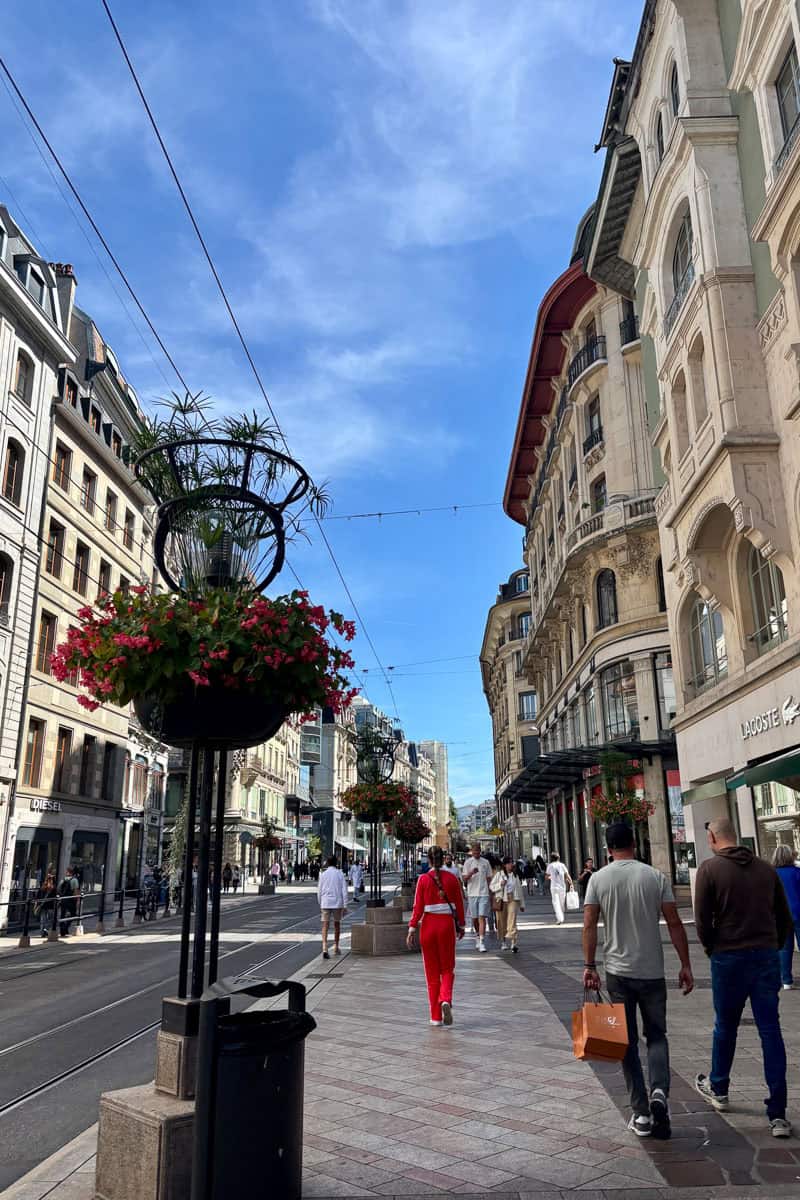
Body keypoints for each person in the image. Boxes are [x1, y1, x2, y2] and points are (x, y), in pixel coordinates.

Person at [583, 822, 693, 1140]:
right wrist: (685, 964)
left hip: (618, 972)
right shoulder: (654, 876)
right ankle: (659, 1092)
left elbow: (589, 925)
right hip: (652, 971)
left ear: (607, 848)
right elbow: (674, 922)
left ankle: (641, 1114)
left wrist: (590, 965)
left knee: (626, 1042)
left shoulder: (598, 879)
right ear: (634, 842)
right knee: (657, 1035)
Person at [693, 818, 792, 1137]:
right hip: (764, 955)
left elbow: (702, 920)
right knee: (770, 1030)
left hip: (728, 956)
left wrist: (713, 948)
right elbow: (784, 917)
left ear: (712, 837)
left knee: (725, 1025)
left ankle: (719, 1087)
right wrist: (773, 947)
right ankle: (778, 1113)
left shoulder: (709, 870)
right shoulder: (766, 869)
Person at [407, 846, 465, 1025]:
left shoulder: (423, 879)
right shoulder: (452, 879)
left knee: (431, 974)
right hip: (446, 925)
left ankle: (435, 1017)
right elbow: (459, 904)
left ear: (429, 861)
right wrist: (461, 925)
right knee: (447, 968)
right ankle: (445, 999)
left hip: (428, 926)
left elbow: (417, 907)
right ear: (443, 859)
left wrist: (411, 929)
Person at [773, 844, 800, 989]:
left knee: (784, 949)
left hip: (780, 916)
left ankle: (786, 981)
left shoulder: (771, 874)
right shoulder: (797, 872)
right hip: (798, 912)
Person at [462, 842, 492, 952]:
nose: (476, 853)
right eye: (474, 851)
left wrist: (491, 892)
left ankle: (482, 941)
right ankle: (477, 936)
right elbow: (464, 878)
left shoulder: (486, 862)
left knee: (482, 917)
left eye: (478, 851)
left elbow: (489, 878)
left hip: (484, 893)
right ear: (472, 852)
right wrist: (471, 873)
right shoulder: (468, 862)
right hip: (472, 894)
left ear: (480, 851)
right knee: (475, 918)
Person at [492, 856, 525, 952]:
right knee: (502, 922)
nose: (511, 865)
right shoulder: (499, 874)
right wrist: (500, 884)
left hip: (513, 899)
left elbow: (519, 890)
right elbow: (492, 887)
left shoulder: (515, 875)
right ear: (505, 865)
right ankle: (503, 942)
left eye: (512, 863)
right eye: (509, 863)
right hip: (502, 900)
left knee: (512, 920)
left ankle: (514, 943)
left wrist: (522, 904)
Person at [318, 856, 348, 959]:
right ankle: (336, 946)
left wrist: (320, 902)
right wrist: (345, 905)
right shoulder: (340, 873)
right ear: (336, 863)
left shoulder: (323, 874)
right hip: (337, 903)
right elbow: (344, 890)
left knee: (325, 925)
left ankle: (324, 947)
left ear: (328, 863)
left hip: (325, 902)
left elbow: (319, 890)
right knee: (337, 925)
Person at [545, 852, 572, 924]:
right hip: (562, 887)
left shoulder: (550, 866)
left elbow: (546, 876)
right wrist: (571, 883)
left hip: (554, 887)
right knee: (562, 903)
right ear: (558, 858)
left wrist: (551, 877)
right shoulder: (562, 865)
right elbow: (567, 875)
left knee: (556, 902)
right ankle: (560, 917)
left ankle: (560, 918)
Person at [58, 866, 79, 936]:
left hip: (63, 899)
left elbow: (58, 889)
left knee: (62, 914)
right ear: (73, 872)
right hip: (71, 899)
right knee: (73, 914)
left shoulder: (63, 879)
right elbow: (76, 892)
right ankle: (66, 927)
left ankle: (62, 930)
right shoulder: (74, 880)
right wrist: (77, 900)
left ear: (67, 872)